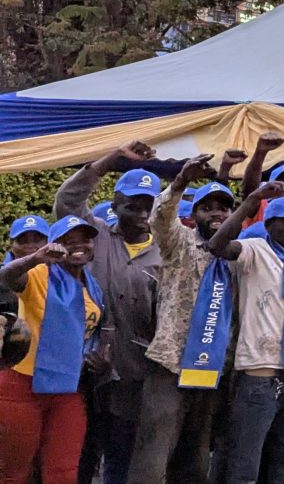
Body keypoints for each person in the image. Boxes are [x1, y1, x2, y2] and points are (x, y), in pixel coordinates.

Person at [56, 141, 162, 484]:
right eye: (133, 205)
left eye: (149, 205)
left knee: (120, 455)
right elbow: (67, 201)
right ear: (115, 205)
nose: (142, 213)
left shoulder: (166, 250)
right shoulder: (97, 234)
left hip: (133, 370)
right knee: (79, 452)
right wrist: (111, 160)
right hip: (82, 367)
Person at [204, 186, 284, 484]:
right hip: (258, 373)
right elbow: (217, 246)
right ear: (269, 224)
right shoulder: (255, 249)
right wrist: (251, 201)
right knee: (246, 462)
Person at [128, 155, 236, 484]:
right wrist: (180, 181)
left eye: (224, 208)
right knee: (153, 455)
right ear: (194, 214)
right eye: (207, 208)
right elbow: (160, 218)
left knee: (195, 457)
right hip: (171, 363)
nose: (216, 214)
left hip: (213, 366)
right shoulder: (180, 242)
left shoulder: (238, 253)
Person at [0, 215, 105, 484]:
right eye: (68, 241)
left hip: (67, 389)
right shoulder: (38, 275)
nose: (78, 245)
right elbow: (6, 276)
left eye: (85, 239)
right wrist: (35, 258)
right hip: (22, 386)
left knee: (63, 472)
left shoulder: (92, 285)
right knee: (14, 472)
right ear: (54, 245)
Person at [2, 215, 50, 313]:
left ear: (48, 241)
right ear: (11, 243)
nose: (30, 246)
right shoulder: (4, 276)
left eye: (37, 240)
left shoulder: (61, 274)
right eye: (22, 240)